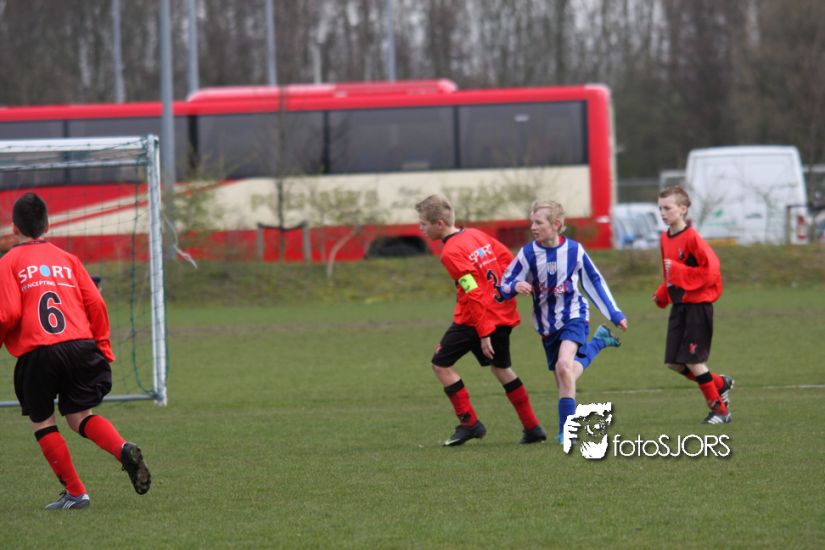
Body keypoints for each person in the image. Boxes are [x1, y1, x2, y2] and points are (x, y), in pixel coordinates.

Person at [0, 193, 151, 510]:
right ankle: (122, 449)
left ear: (14, 228)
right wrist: (102, 345)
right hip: (81, 346)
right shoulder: (68, 259)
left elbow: (8, 313)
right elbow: (96, 302)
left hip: (39, 351)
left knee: (43, 422)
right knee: (80, 417)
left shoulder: (8, 262)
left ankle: (76, 492)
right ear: (48, 226)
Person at [415, 194, 547, 446]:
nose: (420, 228)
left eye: (423, 224)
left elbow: (472, 291)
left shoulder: (451, 252)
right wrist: (507, 291)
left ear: (439, 224)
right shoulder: (475, 235)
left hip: (474, 319)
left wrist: (484, 332)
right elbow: (507, 259)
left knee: (440, 364)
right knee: (501, 368)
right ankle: (532, 427)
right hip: (501, 313)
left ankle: (469, 423)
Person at [500, 200, 628, 444]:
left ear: (556, 224)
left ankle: (567, 430)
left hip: (574, 316)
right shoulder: (528, 254)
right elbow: (504, 283)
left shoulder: (574, 250)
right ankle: (598, 343)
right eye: (532, 222)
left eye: (539, 222)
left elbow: (594, 281)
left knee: (563, 366)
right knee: (564, 375)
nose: (533, 227)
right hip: (547, 325)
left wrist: (614, 313)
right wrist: (515, 285)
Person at [653, 186, 734, 424]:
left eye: (667, 208)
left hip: (697, 307)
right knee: (674, 363)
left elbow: (711, 271)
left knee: (693, 360)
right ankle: (720, 383)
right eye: (660, 208)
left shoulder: (692, 238)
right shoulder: (664, 238)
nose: (663, 213)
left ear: (683, 209)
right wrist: (663, 292)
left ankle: (720, 411)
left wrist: (678, 272)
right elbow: (671, 273)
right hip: (679, 307)